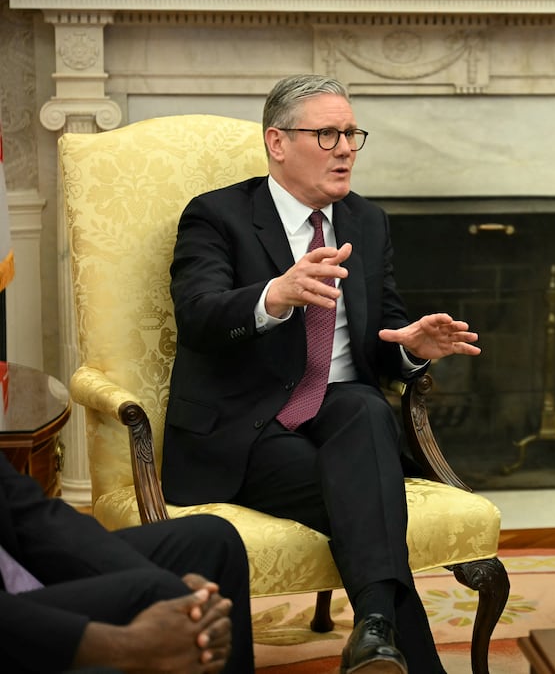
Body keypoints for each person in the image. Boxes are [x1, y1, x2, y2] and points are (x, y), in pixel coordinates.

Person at [162, 74, 481, 674]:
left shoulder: (366, 221)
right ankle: (392, 640)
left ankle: (376, 637)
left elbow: (382, 337)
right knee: (368, 501)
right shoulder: (217, 216)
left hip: (337, 412)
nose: (345, 149)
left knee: (363, 407)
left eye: (352, 134)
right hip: (246, 429)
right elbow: (198, 317)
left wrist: (413, 347)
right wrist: (273, 297)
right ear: (277, 143)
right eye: (327, 134)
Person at [0, 452, 253, 673]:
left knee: (212, 543)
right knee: (157, 591)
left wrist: (178, 591)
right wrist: (117, 646)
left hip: (25, 571)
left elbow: (30, 512)